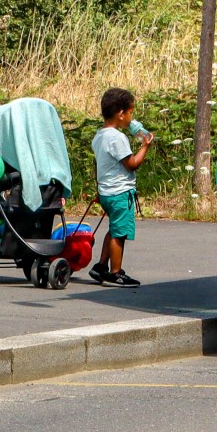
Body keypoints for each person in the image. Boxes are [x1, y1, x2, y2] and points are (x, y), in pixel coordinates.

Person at [89, 87, 149, 287]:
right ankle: (115, 273)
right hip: (120, 193)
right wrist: (145, 147)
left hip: (106, 192)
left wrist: (99, 189)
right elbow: (132, 164)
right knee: (119, 233)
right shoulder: (117, 137)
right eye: (131, 112)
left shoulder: (100, 135)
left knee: (113, 228)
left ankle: (101, 266)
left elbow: (100, 164)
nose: (132, 118)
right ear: (121, 114)